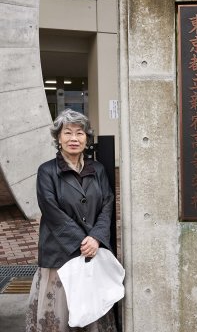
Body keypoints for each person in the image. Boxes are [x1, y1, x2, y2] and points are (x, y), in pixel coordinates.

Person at [26, 109, 117, 332]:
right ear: (58, 138)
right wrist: (82, 241)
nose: (74, 139)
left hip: (92, 252)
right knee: (60, 313)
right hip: (60, 253)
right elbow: (51, 211)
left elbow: (107, 203)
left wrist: (95, 237)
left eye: (80, 133)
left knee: (91, 311)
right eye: (67, 133)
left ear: (87, 138)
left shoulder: (98, 169)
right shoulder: (47, 171)